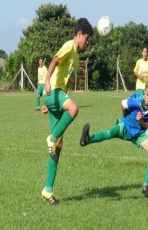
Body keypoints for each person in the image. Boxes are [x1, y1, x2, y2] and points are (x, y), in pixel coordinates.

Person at [41, 18, 93, 205]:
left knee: (58, 147)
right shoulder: (69, 45)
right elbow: (54, 61)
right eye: (86, 38)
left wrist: (53, 104)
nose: (86, 42)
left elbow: (68, 83)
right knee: (74, 108)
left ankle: (47, 190)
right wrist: (47, 82)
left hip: (57, 96)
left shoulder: (77, 58)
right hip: (52, 90)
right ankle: (51, 137)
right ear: (79, 34)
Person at [80, 78, 148, 199]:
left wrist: (141, 120)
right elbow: (123, 103)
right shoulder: (137, 98)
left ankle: (145, 187)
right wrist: (124, 116)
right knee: (109, 133)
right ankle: (87, 140)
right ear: (145, 91)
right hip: (126, 126)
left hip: (139, 133)